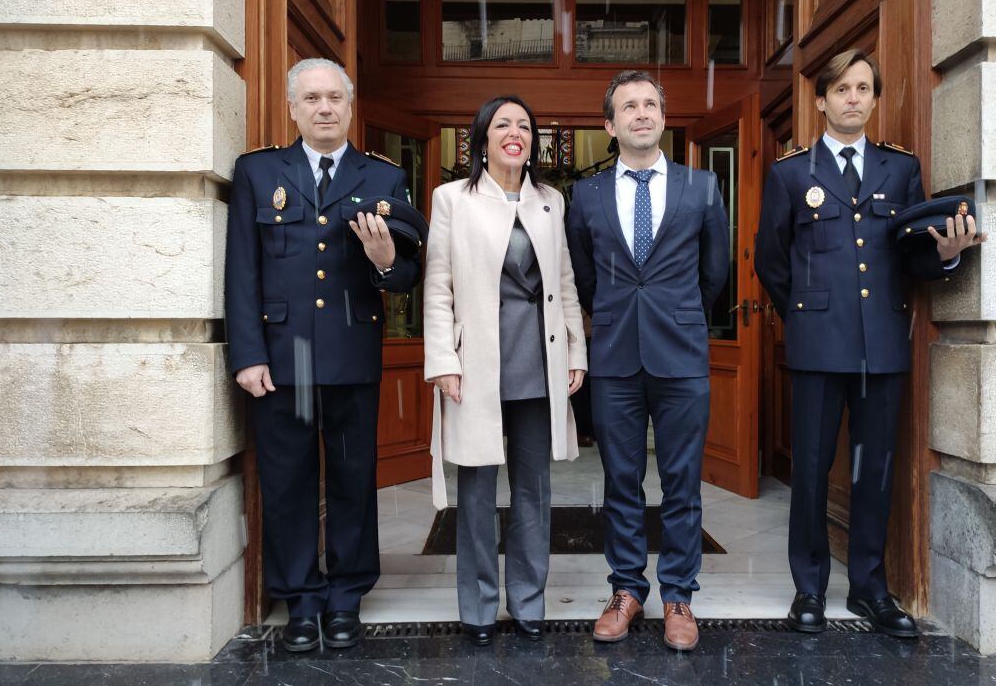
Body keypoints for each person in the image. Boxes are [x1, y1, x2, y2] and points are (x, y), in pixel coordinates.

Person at [754, 49, 985, 638]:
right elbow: (772, 260)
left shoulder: (899, 170)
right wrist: (805, 321)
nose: (853, 98)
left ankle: (869, 589)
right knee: (809, 470)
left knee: (874, 471)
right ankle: (809, 587)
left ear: (874, 99)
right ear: (822, 100)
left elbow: (911, 254)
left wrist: (947, 257)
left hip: (881, 344)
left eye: (863, 88)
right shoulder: (790, 172)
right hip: (815, 347)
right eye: (842, 89)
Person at [224, 58, 420, 652]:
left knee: (353, 477)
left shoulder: (382, 177)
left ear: (351, 105)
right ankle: (301, 598)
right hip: (282, 358)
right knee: (286, 480)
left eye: (334, 97)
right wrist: (246, 354)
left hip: (348, 353)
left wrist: (386, 260)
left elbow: (410, 272)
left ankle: (346, 596)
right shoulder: (259, 172)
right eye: (312, 98)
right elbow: (242, 270)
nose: (325, 107)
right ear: (292, 108)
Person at [566, 70, 730, 652]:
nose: (641, 113)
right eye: (628, 106)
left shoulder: (703, 186)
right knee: (622, 482)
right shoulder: (583, 196)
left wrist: (679, 314)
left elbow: (715, 272)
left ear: (663, 117)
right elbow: (585, 276)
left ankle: (679, 594)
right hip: (614, 358)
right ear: (610, 124)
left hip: (682, 355)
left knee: (683, 482)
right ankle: (626, 589)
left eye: (651, 104)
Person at [423, 96, 588, 646]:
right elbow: (438, 287)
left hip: (538, 364)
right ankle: (477, 607)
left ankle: (528, 601)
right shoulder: (452, 199)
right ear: (483, 138)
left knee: (534, 493)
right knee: (474, 493)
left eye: (524, 125)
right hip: (475, 368)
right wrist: (443, 361)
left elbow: (563, 283)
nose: (514, 133)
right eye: (502, 125)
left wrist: (576, 352)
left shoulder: (550, 201)